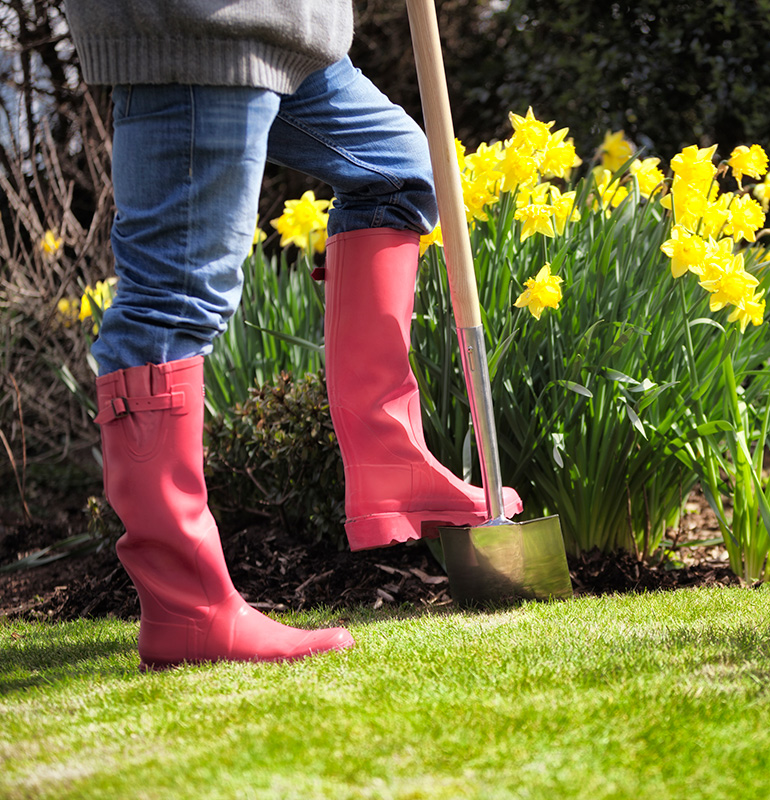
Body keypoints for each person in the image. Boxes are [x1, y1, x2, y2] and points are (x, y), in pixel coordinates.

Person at [63, 1, 522, 669]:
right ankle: (186, 609)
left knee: (397, 175)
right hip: (206, 28)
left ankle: (392, 467)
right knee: (172, 301)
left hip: (288, 30)